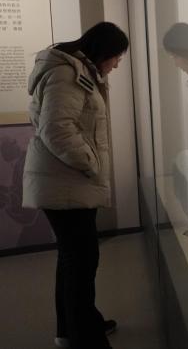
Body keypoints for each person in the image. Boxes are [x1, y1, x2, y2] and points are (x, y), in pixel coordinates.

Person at [22, 21, 129, 349]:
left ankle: (72, 330)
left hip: (66, 182)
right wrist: (91, 163)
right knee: (81, 263)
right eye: (117, 56)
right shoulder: (67, 74)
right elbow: (57, 129)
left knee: (73, 260)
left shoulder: (75, 71)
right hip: (67, 182)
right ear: (102, 51)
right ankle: (87, 338)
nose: (117, 64)